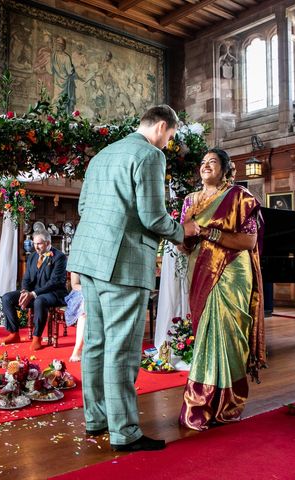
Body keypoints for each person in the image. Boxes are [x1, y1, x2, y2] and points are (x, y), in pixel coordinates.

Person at [67, 105, 200, 452]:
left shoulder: (103, 155)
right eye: (170, 136)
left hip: (90, 258)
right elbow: (153, 216)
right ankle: (124, 432)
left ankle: (97, 419)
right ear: (160, 126)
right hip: (122, 261)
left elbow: (83, 207)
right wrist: (183, 230)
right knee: (123, 349)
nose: (168, 144)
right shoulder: (150, 155)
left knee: (96, 341)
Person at [177, 148, 266, 431]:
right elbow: (184, 241)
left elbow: (249, 242)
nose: (205, 166)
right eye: (203, 163)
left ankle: (228, 402)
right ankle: (200, 403)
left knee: (229, 333)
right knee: (205, 332)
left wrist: (207, 232)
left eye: (212, 162)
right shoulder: (190, 201)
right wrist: (181, 238)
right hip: (200, 270)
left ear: (226, 169)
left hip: (232, 272)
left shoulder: (240, 197)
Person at [1, 231, 68, 351]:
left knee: (39, 300)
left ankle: (37, 338)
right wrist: (24, 292)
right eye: (34, 243)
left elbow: (54, 282)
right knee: (7, 298)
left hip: (54, 293)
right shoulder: (32, 256)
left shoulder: (60, 257)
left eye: (39, 244)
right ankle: (14, 333)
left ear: (48, 243)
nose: (36, 247)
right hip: (33, 293)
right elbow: (26, 278)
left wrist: (33, 294)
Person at [64, 272, 86, 362]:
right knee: (85, 308)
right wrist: (90, 290)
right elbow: (75, 285)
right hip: (79, 293)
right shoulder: (78, 259)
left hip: (99, 293)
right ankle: (78, 349)